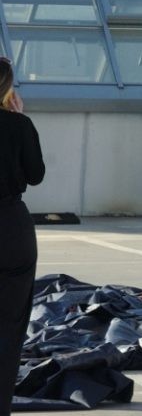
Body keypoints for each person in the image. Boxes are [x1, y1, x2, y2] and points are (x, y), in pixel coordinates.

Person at [0, 59, 45, 415]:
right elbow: (36, 175)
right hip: (11, 227)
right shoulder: (19, 124)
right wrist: (20, 121)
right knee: (11, 322)